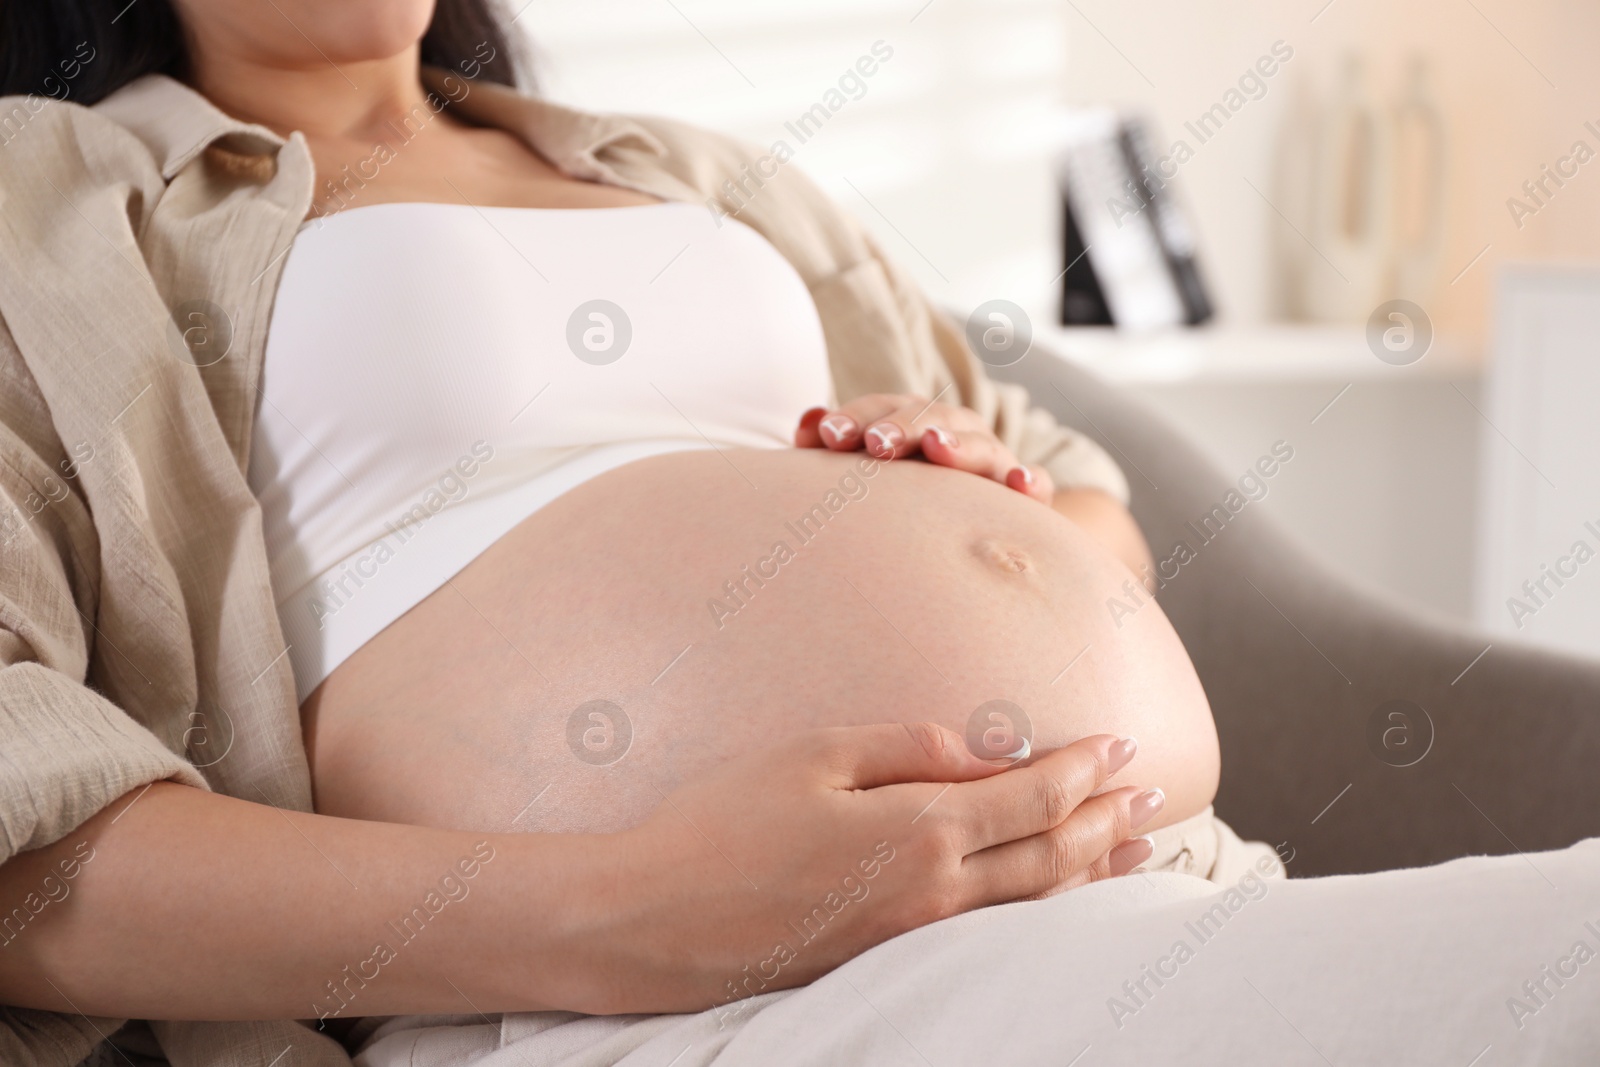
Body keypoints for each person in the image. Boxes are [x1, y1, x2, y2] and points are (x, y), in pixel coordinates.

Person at [0, 3, 1273, 1064]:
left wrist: (977, 485)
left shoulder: (692, 175)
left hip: (1149, 873)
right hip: (626, 1006)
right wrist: (634, 914)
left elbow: (1085, 505)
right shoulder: (49, 196)